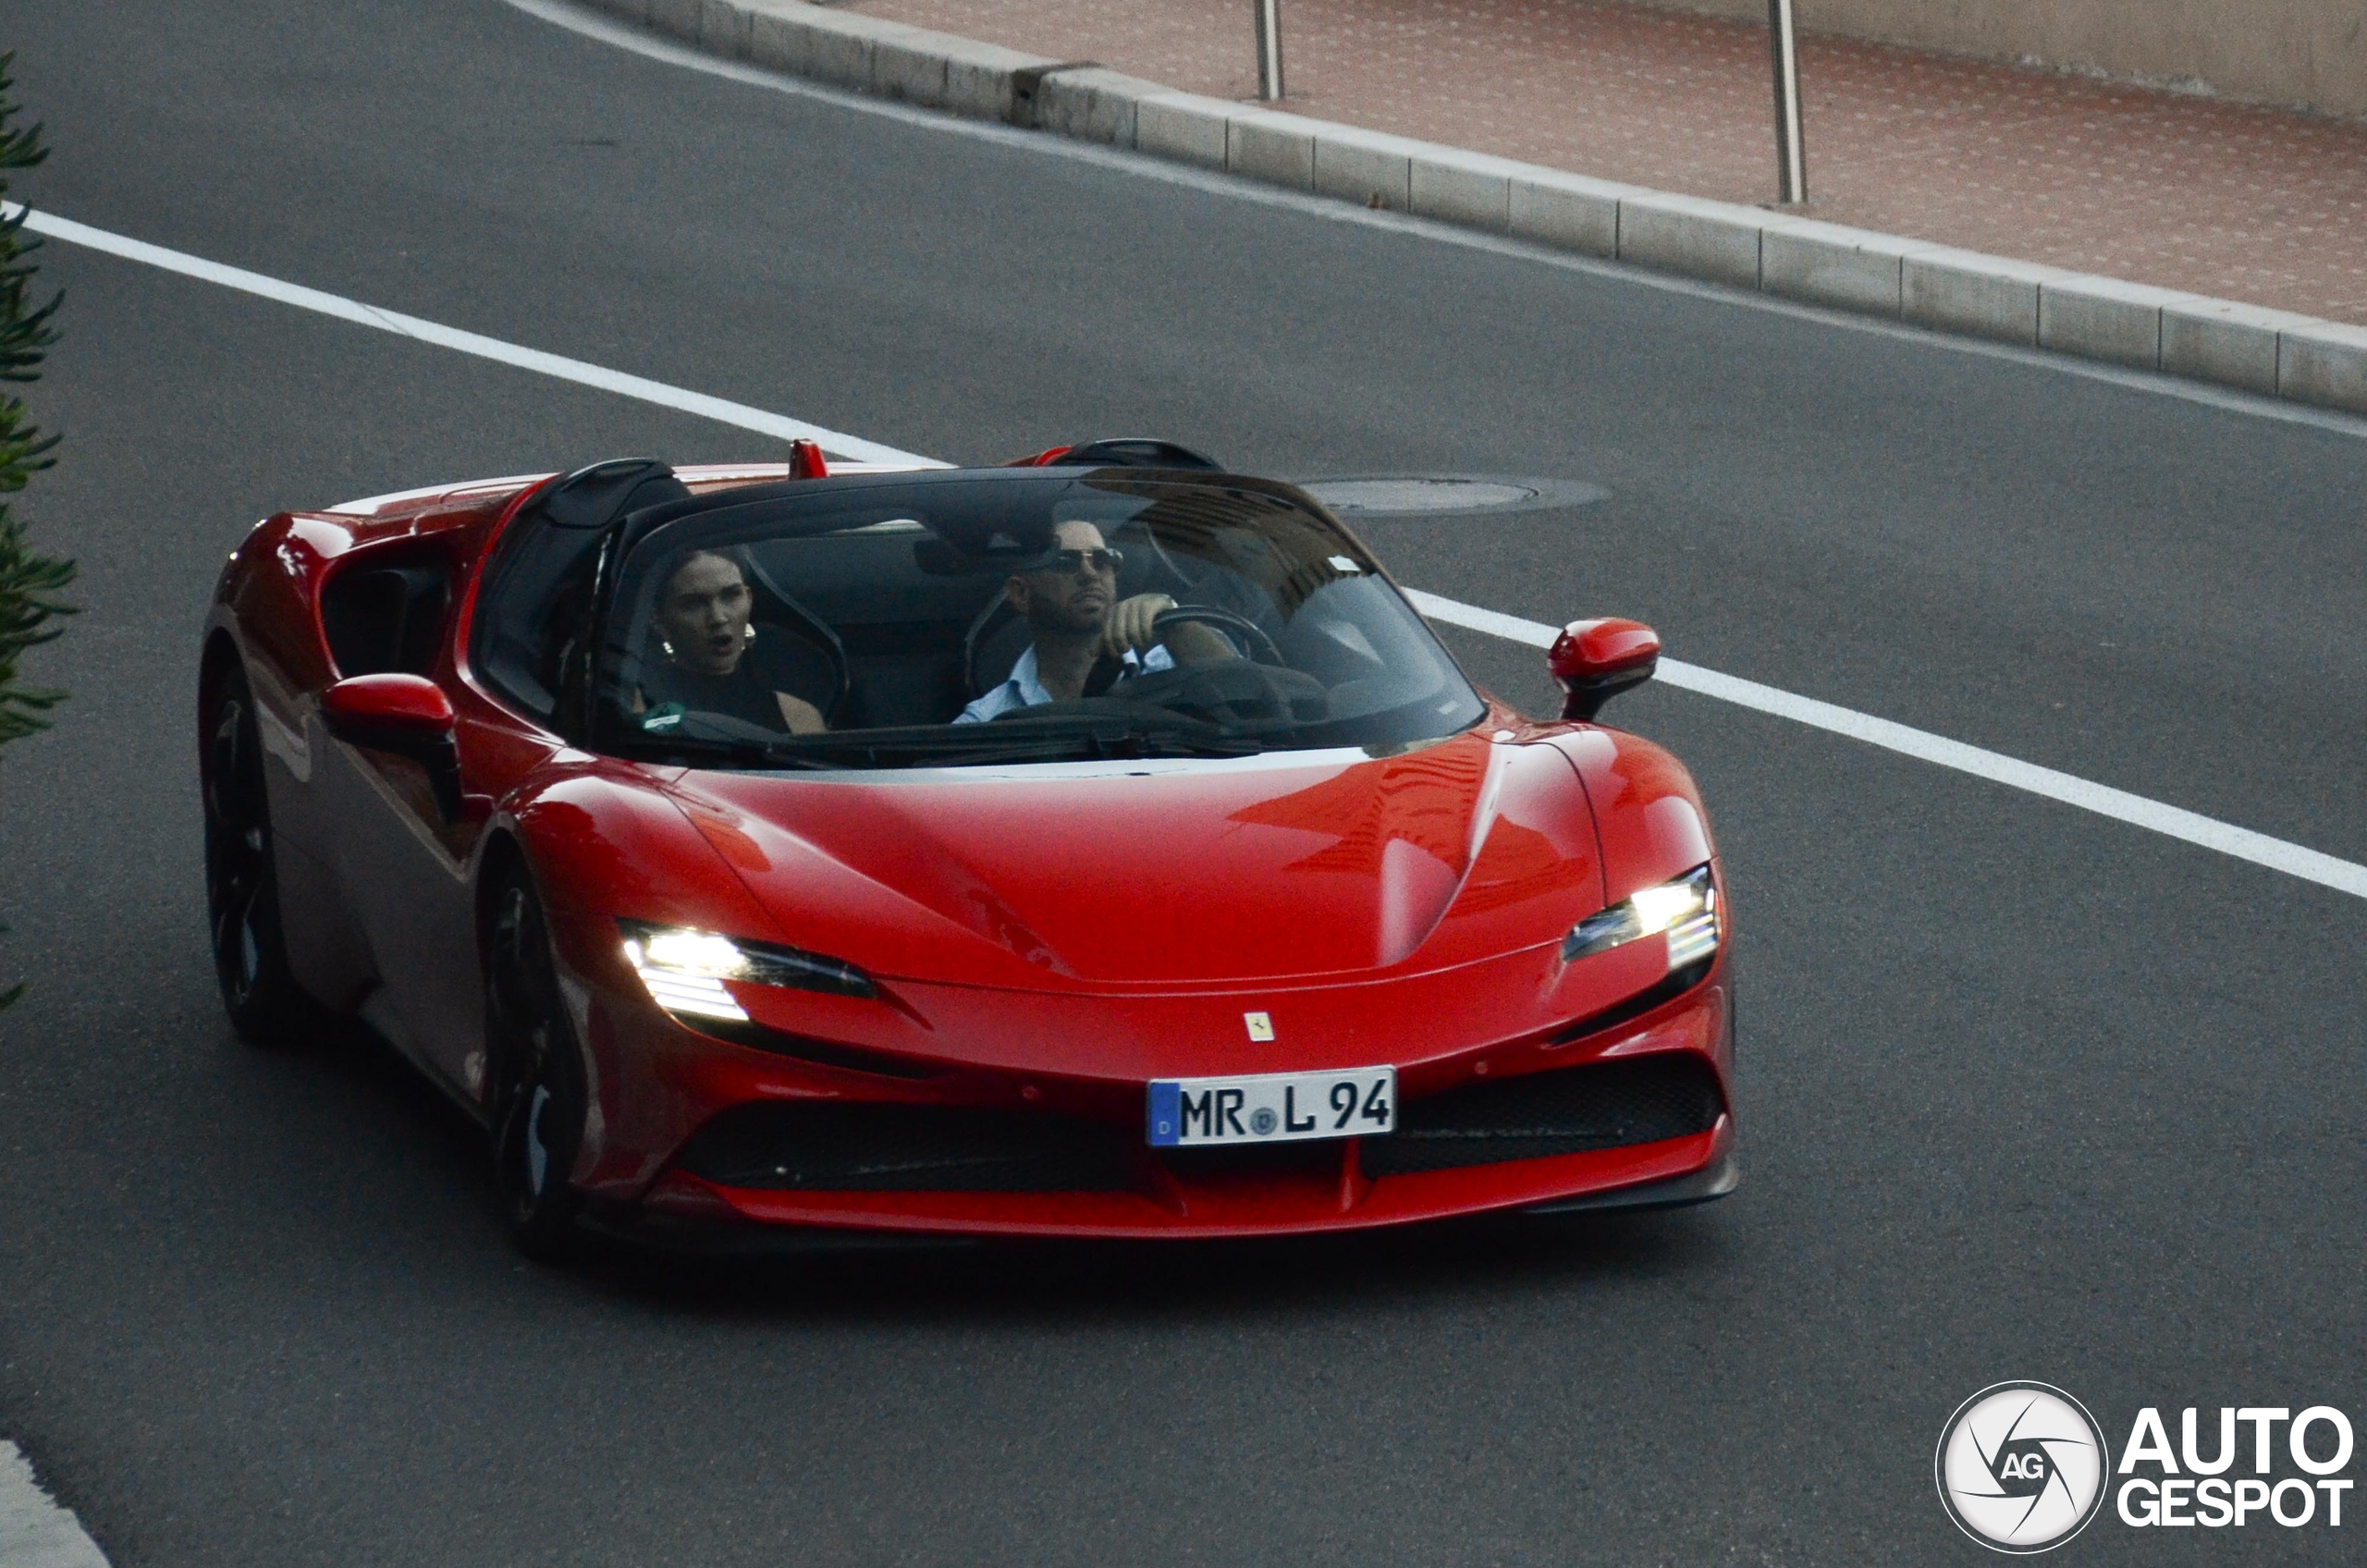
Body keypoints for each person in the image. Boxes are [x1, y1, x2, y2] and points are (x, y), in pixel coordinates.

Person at [956, 520, 1234, 723]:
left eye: (1101, 559)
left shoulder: (1171, 663)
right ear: (1021, 593)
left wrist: (1174, 622)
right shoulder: (988, 720)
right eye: (1065, 562)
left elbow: (1247, 703)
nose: (1089, 574)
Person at [638, 550, 830, 734]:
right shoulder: (637, 705)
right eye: (693, 604)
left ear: (748, 599)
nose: (718, 618)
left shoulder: (797, 716)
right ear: (658, 619)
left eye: (731, 596)